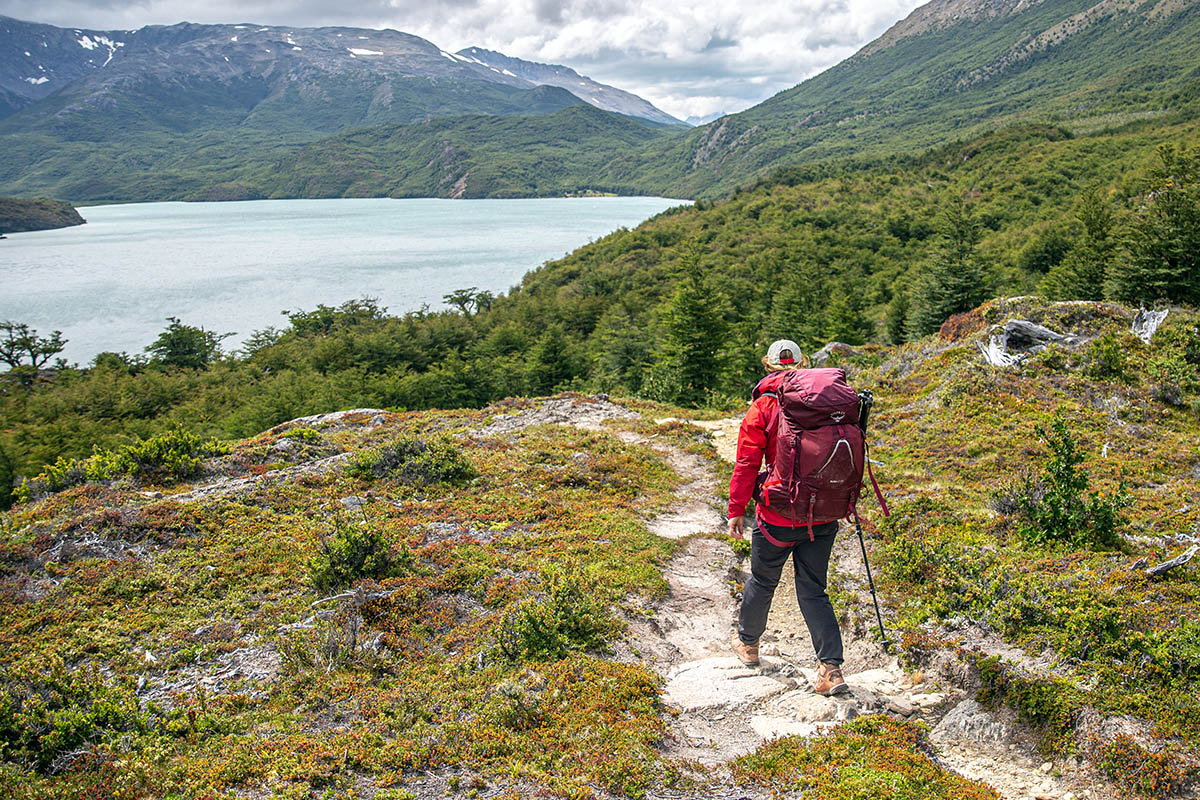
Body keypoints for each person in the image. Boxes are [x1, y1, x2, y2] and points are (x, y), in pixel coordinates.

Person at [727, 339, 849, 696]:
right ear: (803, 364)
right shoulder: (828, 405)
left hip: (778, 515)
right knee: (814, 590)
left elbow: (747, 462)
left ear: (768, 366)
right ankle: (831, 670)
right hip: (823, 512)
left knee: (763, 581)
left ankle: (749, 644)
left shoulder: (763, 407)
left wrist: (736, 509)